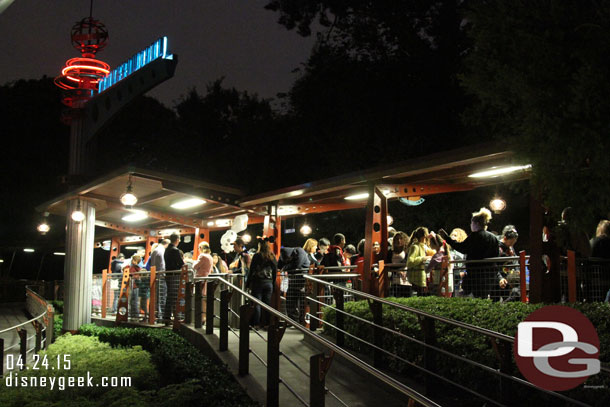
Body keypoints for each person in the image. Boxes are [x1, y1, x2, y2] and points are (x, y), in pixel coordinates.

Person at [440, 208, 500, 299]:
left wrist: (447, 238)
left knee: (476, 298)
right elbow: (496, 255)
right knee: (485, 297)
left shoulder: (475, 236)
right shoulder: (493, 238)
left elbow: (462, 247)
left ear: (476, 224)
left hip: (476, 275)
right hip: (490, 274)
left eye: (471, 223)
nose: (470, 225)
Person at [245, 238, 278, 328]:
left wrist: (247, 283)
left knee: (257, 303)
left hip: (258, 282)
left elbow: (251, 270)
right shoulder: (272, 256)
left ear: (260, 246)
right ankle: (267, 324)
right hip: (269, 283)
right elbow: (275, 270)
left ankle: (256, 324)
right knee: (267, 304)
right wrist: (273, 282)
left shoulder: (257, 256)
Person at [278, 246, 311, 322]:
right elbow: (279, 266)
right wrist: (285, 266)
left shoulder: (300, 251)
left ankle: (301, 320)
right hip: (293, 279)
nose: (287, 261)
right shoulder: (283, 255)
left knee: (302, 301)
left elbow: (297, 265)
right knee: (290, 299)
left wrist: (285, 267)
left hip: (302, 279)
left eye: (288, 259)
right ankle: (293, 320)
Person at [163, 233, 184, 324]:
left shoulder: (167, 249)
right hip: (175, 275)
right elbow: (181, 263)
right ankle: (175, 317)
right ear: (177, 239)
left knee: (170, 296)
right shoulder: (175, 250)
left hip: (168, 274)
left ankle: (167, 316)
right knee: (174, 296)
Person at [407, 227, 432, 296]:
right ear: (424, 236)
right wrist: (423, 258)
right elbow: (410, 262)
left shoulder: (425, 246)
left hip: (426, 277)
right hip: (418, 279)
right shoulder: (415, 247)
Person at [387, 231, 410, 297]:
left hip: (405, 277)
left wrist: (399, 269)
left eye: (400, 239)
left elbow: (406, 261)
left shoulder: (407, 251)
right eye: (396, 239)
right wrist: (397, 270)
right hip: (394, 278)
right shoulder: (390, 252)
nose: (398, 241)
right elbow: (388, 263)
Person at [150, 239, 169, 318]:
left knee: (157, 296)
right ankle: (162, 315)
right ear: (167, 244)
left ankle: (158, 314)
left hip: (155, 275)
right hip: (161, 275)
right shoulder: (162, 251)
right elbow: (163, 264)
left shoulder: (155, 250)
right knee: (162, 296)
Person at [128, 254, 142, 320]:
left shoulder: (134, 268)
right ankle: (134, 314)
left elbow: (134, 275)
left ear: (135, 261)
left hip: (134, 286)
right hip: (135, 286)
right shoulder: (137, 268)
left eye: (133, 260)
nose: (132, 261)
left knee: (134, 301)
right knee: (134, 300)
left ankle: (135, 315)